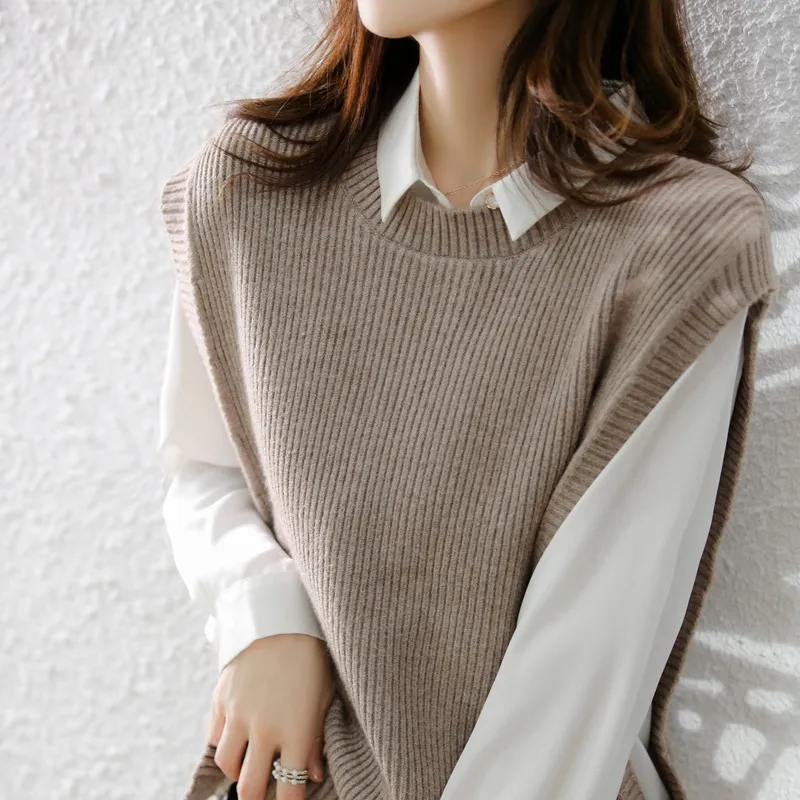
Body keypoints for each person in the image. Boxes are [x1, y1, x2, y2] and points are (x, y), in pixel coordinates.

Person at [157, 0, 779, 798]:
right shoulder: (251, 189)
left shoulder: (677, 242)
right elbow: (207, 465)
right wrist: (264, 618)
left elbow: (589, 657)